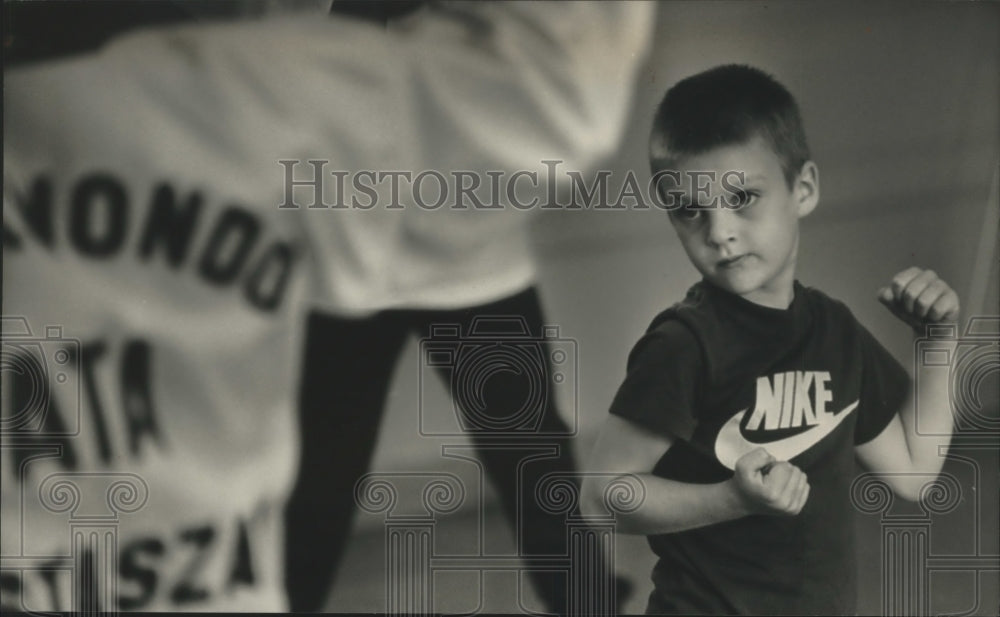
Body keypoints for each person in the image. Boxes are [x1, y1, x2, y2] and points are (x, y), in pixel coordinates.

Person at [1, 1, 653, 612]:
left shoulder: (434, 57)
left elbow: (541, 95)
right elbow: (557, 88)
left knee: (537, 468)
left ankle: (589, 601)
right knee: (315, 486)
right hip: (343, 278)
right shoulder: (307, 54)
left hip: (472, 270)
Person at [581, 64, 960, 615]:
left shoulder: (835, 332)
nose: (720, 231)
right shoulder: (684, 344)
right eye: (691, 211)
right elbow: (601, 497)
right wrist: (728, 500)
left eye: (742, 198)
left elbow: (915, 473)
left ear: (802, 189)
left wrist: (937, 341)